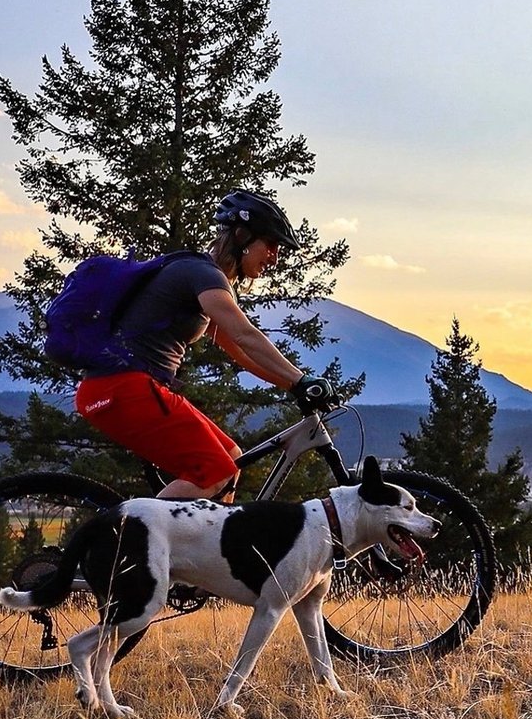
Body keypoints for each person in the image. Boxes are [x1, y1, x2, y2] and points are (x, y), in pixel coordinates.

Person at [73, 190, 338, 501]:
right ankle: (141, 542)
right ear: (242, 235)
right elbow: (244, 335)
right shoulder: (202, 273)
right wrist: (301, 379)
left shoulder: (208, 280)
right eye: (271, 245)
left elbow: (237, 350)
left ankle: (209, 548)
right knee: (216, 472)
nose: (275, 257)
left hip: (131, 389)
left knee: (231, 459)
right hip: (122, 388)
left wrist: (292, 387)